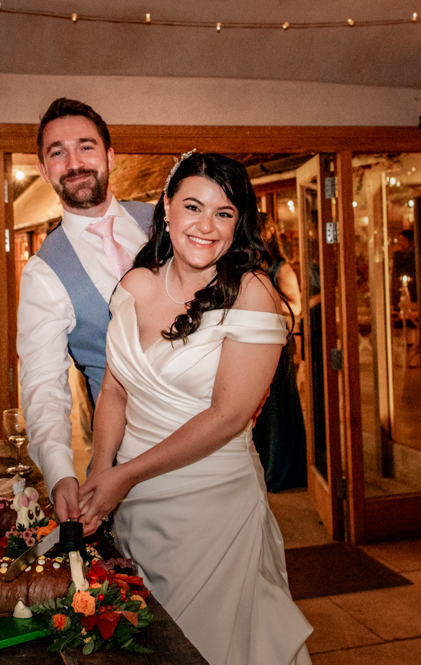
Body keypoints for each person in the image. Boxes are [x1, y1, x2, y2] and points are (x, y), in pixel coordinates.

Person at [78, 153, 312, 665]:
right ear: (166, 209)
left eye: (224, 213)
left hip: (214, 508)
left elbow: (228, 416)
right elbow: (115, 389)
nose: (206, 226)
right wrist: (101, 473)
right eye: (192, 206)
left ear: (239, 223)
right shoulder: (135, 286)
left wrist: (125, 475)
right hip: (137, 509)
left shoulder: (253, 295)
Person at [16, 98, 155, 522]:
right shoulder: (43, 272)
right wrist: (60, 473)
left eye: (86, 147)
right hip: (127, 464)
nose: (74, 162)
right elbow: (43, 384)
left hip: (216, 445)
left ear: (110, 156)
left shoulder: (166, 221)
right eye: (57, 152)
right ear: (44, 170)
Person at [252, 217, 308, 492]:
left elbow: (296, 307)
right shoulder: (253, 266)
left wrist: (266, 299)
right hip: (256, 344)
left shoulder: (281, 268)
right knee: (261, 411)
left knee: (279, 409)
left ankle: (283, 472)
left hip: (278, 344)